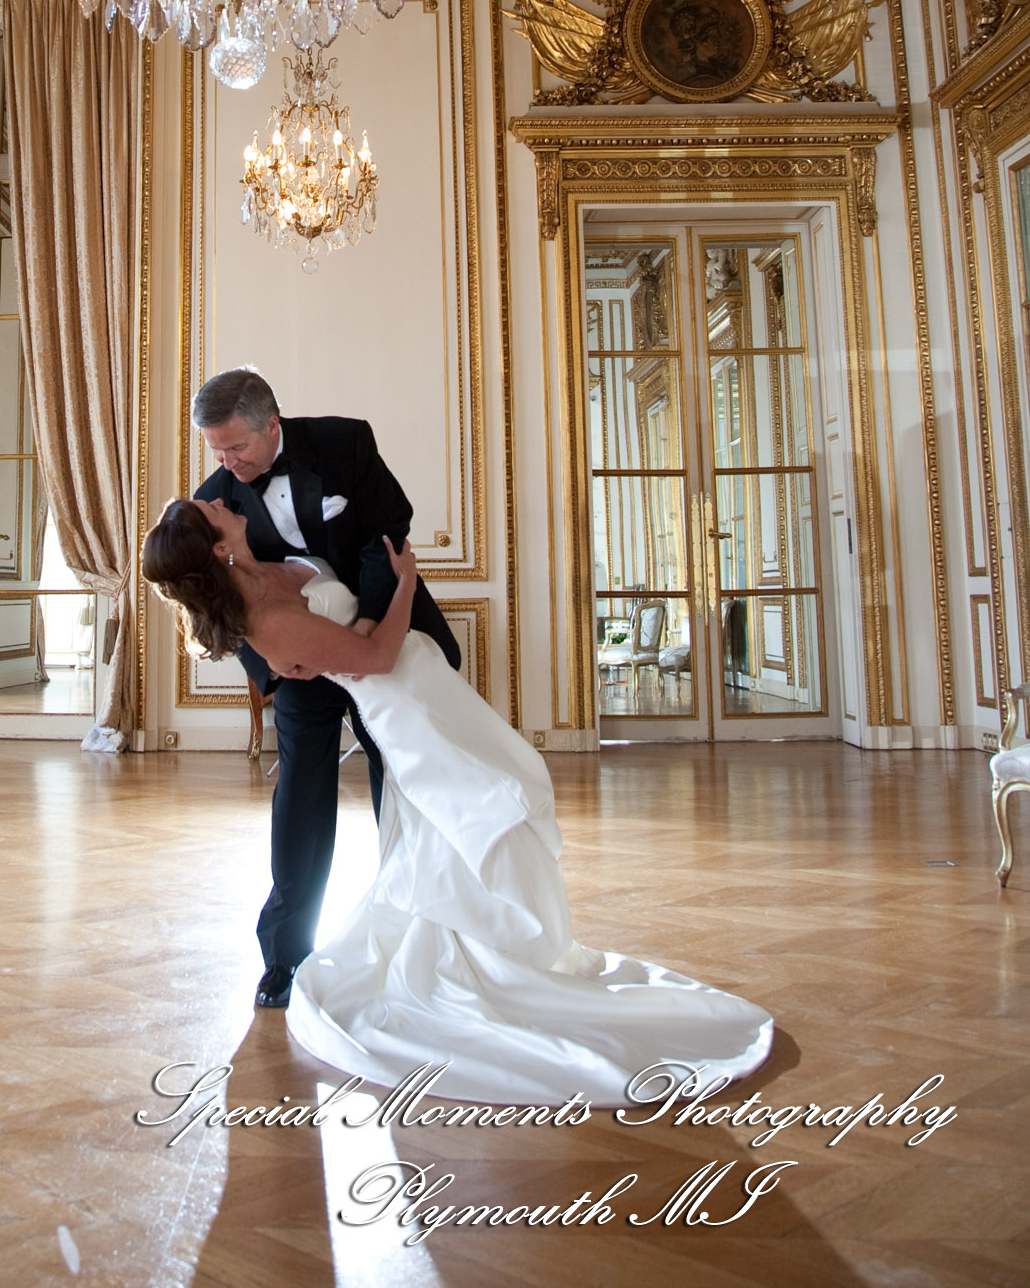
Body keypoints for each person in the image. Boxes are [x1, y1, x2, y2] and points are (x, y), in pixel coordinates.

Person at [142, 498, 774, 1107]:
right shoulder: (267, 622)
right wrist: (406, 587)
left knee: (489, 794)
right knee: (481, 809)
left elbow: (351, 617)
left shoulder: (267, 563)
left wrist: (364, 613)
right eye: (211, 513)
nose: (219, 501)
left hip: (427, 686)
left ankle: (500, 945)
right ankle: (485, 955)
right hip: (408, 707)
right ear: (220, 548)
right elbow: (379, 657)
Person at [190, 368, 460, 1009]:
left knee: (399, 780)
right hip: (302, 666)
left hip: (382, 638)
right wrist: (275, 671)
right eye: (217, 451)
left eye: (238, 448)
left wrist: (368, 621)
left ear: (272, 425)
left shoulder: (345, 444)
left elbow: (388, 532)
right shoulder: (214, 500)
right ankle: (285, 957)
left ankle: (414, 930)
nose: (228, 464)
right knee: (301, 796)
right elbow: (222, 604)